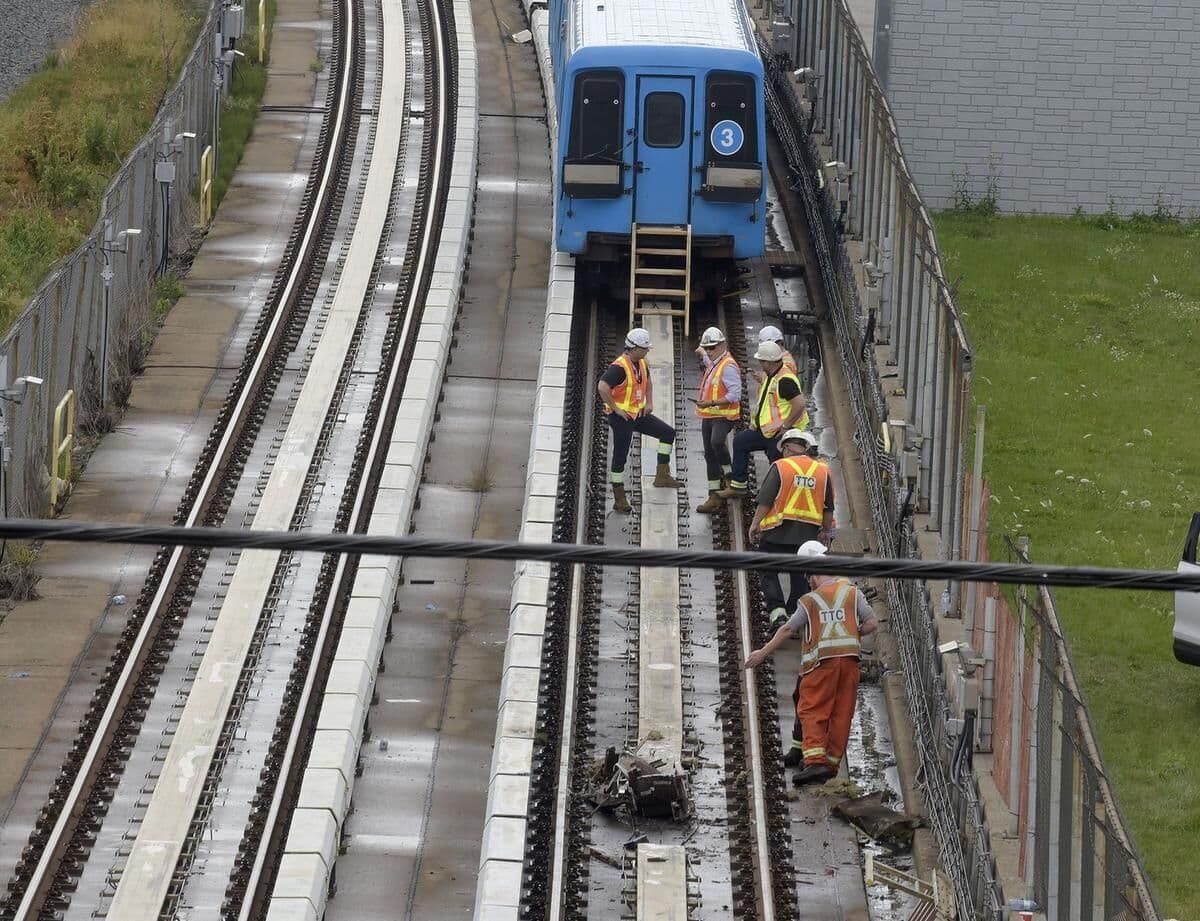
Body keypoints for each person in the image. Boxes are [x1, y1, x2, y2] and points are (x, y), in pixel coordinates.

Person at [744, 541, 877, 783]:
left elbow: (786, 629)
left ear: (813, 575)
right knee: (841, 711)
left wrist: (762, 653)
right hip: (849, 662)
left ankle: (815, 762)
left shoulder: (810, 600)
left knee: (811, 708)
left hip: (821, 663)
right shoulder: (852, 592)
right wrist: (851, 634)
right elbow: (871, 624)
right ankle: (831, 764)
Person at [748, 429, 835, 630]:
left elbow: (765, 501)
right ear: (805, 448)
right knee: (800, 575)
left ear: (786, 448)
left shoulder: (781, 466)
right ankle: (794, 616)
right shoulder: (822, 471)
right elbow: (828, 508)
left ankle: (777, 613)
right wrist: (825, 532)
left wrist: (755, 525)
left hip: (776, 533)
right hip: (807, 537)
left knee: (767, 569)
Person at [597, 328, 683, 513]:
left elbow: (648, 382)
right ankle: (619, 498)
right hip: (622, 418)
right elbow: (602, 387)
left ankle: (662, 475)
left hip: (637, 414)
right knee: (620, 456)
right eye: (644, 348)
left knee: (668, 433)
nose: (647, 351)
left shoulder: (642, 362)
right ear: (634, 348)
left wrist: (649, 402)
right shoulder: (619, 368)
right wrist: (616, 409)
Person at [716, 341, 809, 499]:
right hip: (767, 431)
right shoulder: (773, 375)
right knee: (740, 442)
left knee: (777, 460)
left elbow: (799, 404)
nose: (760, 363)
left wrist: (786, 426)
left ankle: (780, 494)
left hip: (780, 433)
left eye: (762, 361)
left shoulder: (785, 380)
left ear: (769, 361)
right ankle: (739, 486)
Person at [693, 326, 741, 514]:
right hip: (709, 414)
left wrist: (711, 402)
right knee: (709, 454)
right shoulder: (714, 360)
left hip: (724, 414)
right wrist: (701, 353)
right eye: (707, 348)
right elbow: (708, 362)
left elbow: (735, 394)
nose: (709, 351)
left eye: (712, 348)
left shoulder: (728, 366)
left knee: (717, 442)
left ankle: (730, 478)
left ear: (722, 345)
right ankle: (713, 496)